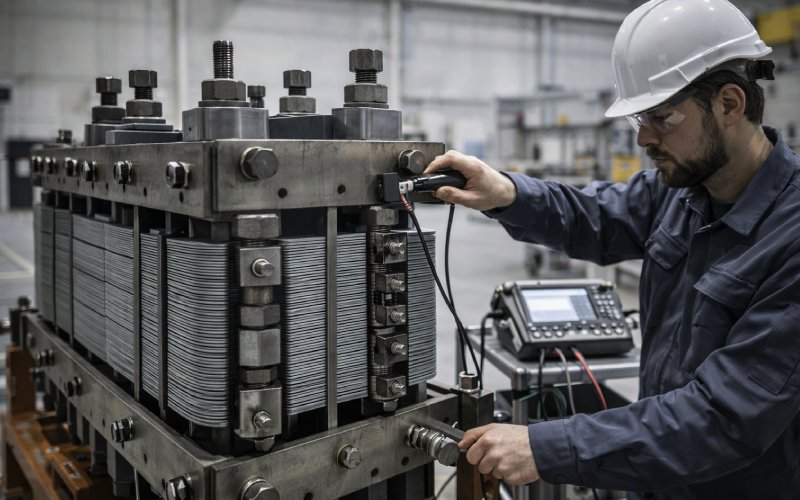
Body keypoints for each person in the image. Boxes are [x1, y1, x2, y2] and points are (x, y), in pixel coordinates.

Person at [425, 0, 800, 498]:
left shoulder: (790, 237)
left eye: (662, 118)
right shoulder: (681, 190)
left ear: (729, 105)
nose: (644, 138)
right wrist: (507, 193)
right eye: (639, 119)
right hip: (659, 479)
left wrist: (548, 447)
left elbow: (722, 417)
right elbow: (595, 214)